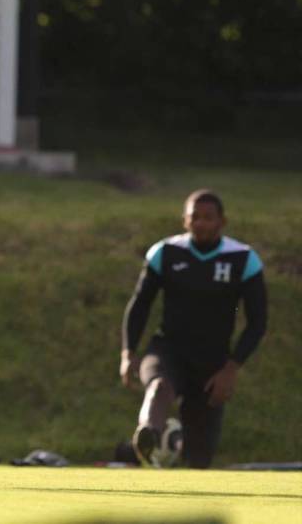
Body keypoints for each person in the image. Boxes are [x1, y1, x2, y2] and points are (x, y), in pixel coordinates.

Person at [120, 190, 268, 468]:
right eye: (194, 217)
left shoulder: (243, 259)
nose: (200, 223)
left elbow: (257, 322)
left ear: (222, 221)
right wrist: (128, 353)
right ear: (185, 221)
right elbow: (140, 305)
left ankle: (173, 449)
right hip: (168, 348)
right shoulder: (165, 253)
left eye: (207, 218)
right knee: (159, 385)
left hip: (213, 362)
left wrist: (232, 367)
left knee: (200, 458)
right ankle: (148, 433)